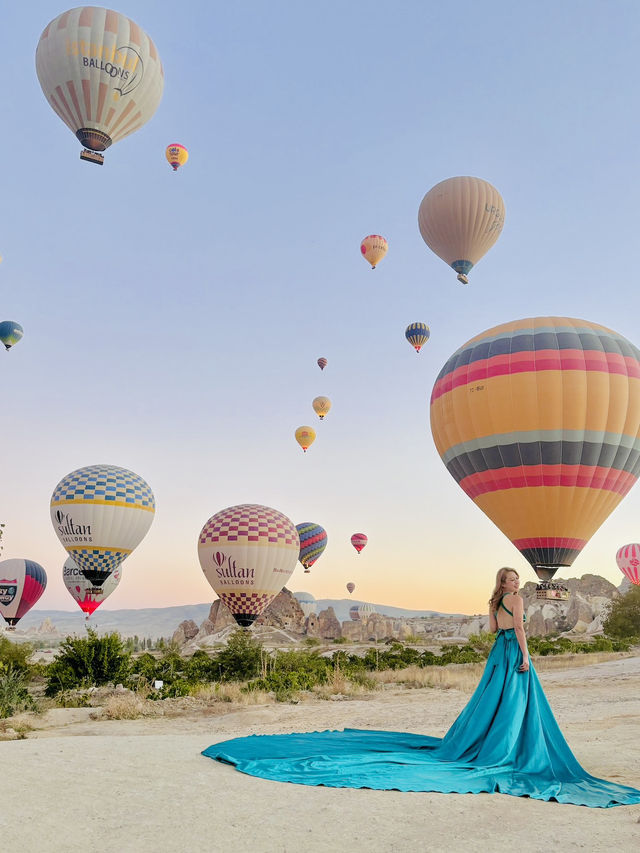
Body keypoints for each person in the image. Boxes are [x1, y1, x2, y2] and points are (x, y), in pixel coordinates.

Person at [203, 567, 640, 807]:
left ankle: (490, 744)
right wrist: (527, 655)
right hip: (514, 652)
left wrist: (509, 644)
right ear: (510, 584)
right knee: (520, 703)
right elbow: (520, 630)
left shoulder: (493, 602)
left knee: (493, 702)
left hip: (496, 654)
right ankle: (511, 749)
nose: (518, 585)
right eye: (513, 581)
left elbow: (493, 629)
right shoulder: (521, 601)